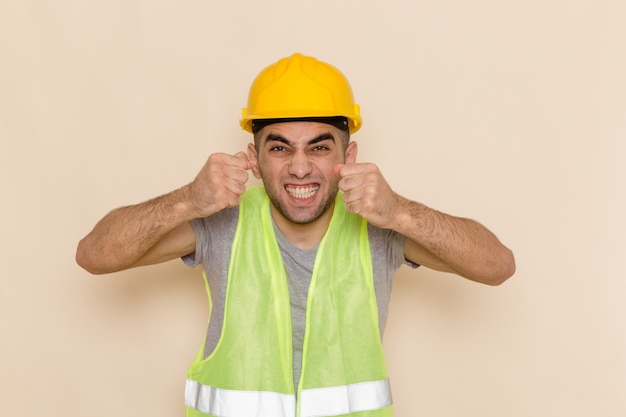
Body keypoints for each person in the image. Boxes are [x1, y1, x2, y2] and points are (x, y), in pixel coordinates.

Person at [76, 52, 515, 417]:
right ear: (254, 157)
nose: (300, 167)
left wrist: (399, 211)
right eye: (280, 147)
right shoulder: (221, 220)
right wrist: (188, 199)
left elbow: (497, 266)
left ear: (350, 154)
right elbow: (94, 255)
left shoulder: (380, 225)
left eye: (320, 147)